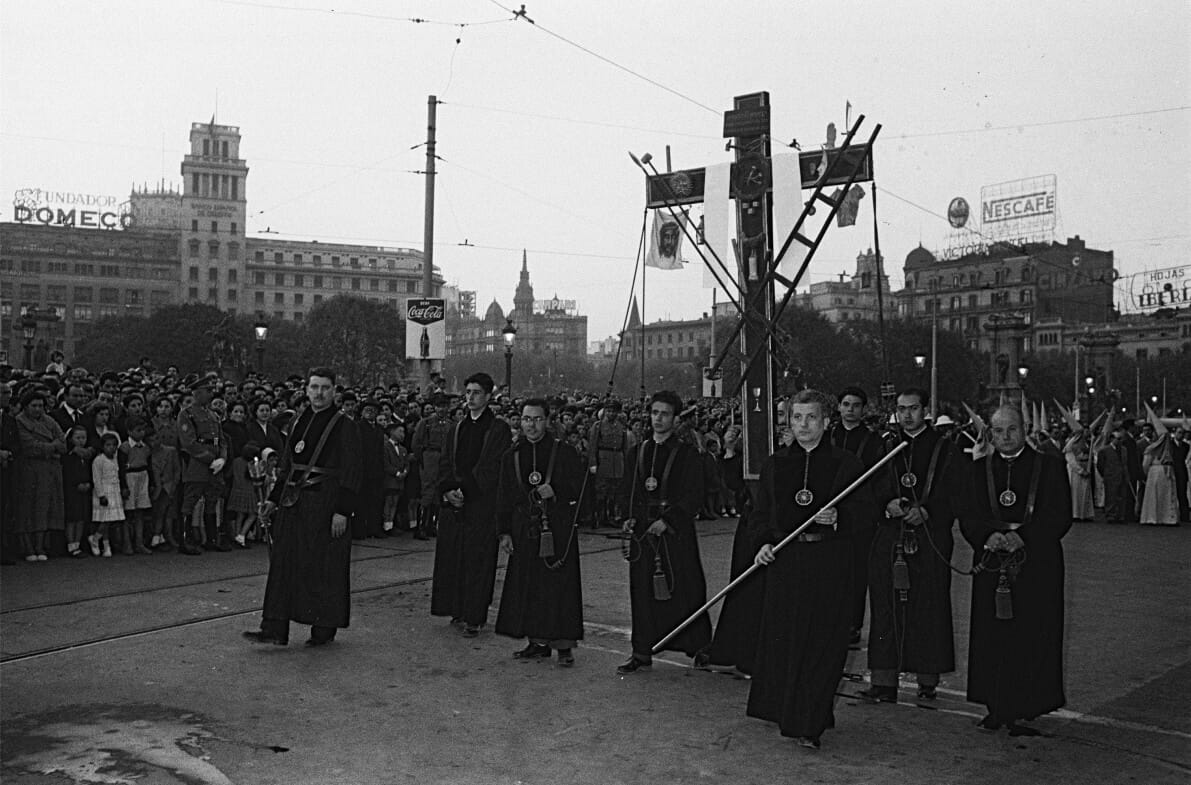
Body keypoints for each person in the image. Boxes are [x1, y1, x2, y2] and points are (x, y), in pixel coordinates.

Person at [747, 390, 874, 749]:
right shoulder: (775, 464)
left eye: (812, 418)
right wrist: (763, 543)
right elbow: (760, 515)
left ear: (826, 422)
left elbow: (866, 513)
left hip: (829, 565)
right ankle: (791, 708)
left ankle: (809, 721)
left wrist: (840, 518)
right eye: (797, 417)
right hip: (787, 566)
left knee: (823, 644)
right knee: (786, 642)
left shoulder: (846, 464)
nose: (804, 425)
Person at [958, 406, 1071, 736]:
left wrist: (1023, 538)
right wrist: (984, 536)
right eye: (998, 431)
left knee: (1033, 633)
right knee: (993, 635)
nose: (1005, 437)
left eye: (1011, 430)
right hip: (993, 560)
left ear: (1025, 430)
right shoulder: (979, 470)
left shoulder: (1050, 467)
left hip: (1037, 563)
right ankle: (995, 705)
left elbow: (1060, 514)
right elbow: (967, 512)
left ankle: (1027, 706)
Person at [244, 367, 362, 647]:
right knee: (283, 563)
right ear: (306, 390)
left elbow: (352, 471)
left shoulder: (345, 425)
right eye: (314, 388)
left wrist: (342, 511)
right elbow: (286, 465)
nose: (319, 393)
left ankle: (324, 626)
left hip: (326, 503)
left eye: (324, 388)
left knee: (324, 566)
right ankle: (274, 627)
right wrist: (273, 499)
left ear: (334, 391)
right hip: (293, 503)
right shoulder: (298, 421)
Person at [862, 388, 958, 704]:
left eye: (914, 409)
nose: (907, 415)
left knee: (928, 605)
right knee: (885, 606)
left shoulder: (945, 448)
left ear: (925, 410)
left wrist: (930, 511)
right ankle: (883, 680)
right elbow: (870, 485)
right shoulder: (886, 445)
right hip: (890, 536)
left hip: (930, 537)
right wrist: (886, 503)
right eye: (902, 409)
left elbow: (956, 490)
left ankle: (927, 678)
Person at [616, 390, 711, 674]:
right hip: (644, 532)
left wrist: (669, 520)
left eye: (665, 414)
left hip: (675, 533)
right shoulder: (638, 451)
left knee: (686, 587)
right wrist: (630, 518)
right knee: (642, 590)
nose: (658, 419)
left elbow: (694, 493)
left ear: (676, 418)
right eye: (655, 413)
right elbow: (629, 489)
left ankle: (699, 647)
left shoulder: (687, 454)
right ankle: (642, 651)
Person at [495, 398, 586, 667]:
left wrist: (557, 491)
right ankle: (537, 642)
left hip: (557, 531)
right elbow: (504, 496)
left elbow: (581, 491)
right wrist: (504, 532)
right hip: (525, 530)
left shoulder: (564, 452)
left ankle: (564, 645)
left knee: (560, 587)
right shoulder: (511, 455)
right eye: (526, 419)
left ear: (547, 421)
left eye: (536, 419)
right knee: (530, 586)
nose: (531, 425)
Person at [431, 373, 512, 638]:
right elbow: (446, 461)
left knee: (478, 560)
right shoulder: (457, 428)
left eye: (477, 392)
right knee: (454, 557)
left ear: (488, 396)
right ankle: (457, 607)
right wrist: (448, 490)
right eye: (468, 392)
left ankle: (475, 615)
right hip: (455, 504)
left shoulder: (497, 428)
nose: (471, 397)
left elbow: (492, 466)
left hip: (480, 503)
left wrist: (466, 491)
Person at [828, 385, 888, 644]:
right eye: (846, 404)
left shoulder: (874, 441)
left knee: (856, 572)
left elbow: (879, 479)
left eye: (855, 405)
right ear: (839, 407)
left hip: (859, 515)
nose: (850, 410)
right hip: (828, 512)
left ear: (863, 409)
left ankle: (852, 624)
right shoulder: (827, 436)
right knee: (830, 571)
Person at [177, 374, 229, 554]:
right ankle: (186, 540)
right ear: (197, 393)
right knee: (191, 500)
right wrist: (210, 459)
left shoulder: (213, 415)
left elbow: (222, 440)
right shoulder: (187, 414)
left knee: (212, 499)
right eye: (207, 391)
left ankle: (212, 538)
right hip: (198, 463)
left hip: (215, 464)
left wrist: (222, 458)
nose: (211, 394)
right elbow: (189, 442)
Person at [15, 389, 67, 561]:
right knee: (28, 508)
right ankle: (28, 546)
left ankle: (40, 545)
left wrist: (49, 447)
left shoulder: (50, 420)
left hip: (50, 470)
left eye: (41, 406)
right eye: (34, 405)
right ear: (25, 407)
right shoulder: (19, 421)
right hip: (30, 470)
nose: (38, 409)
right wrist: (52, 447)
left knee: (45, 507)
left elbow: (63, 442)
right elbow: (30, 446)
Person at [411, 393, 452, 540]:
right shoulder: (426, 423)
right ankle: (421, 527)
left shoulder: (450, 424)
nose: (442, 409)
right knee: (428, 491)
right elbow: (416, 443)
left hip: (444, 458)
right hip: (429, 456)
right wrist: (422, 460)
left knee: (438, 492)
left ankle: (431, 525)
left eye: (445, 406)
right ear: (435, 407)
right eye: (439, 406)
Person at [586, 400, 632, 529]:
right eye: (609, 411)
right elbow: (592, 446)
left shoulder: (621, 426)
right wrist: (593, 463)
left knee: (615, 491)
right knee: (601, 490)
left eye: (614, 411)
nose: (611, 414)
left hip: (617, 460)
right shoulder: (598, 426)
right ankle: (598, 516)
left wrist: (625, 462)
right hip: (603, 459)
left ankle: (611, 517)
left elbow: (625, 446)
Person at [90, 432, 125, 558]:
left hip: (114, 491)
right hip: (104, 491)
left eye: (114, 445)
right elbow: (97, 479)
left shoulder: (115, 459)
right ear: (102, 446)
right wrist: (101, 495)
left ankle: (106, 545)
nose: (112, 448)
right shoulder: (98, 460)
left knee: (111, 519)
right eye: (108, 445)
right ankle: (95, 539)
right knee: (105, 520)